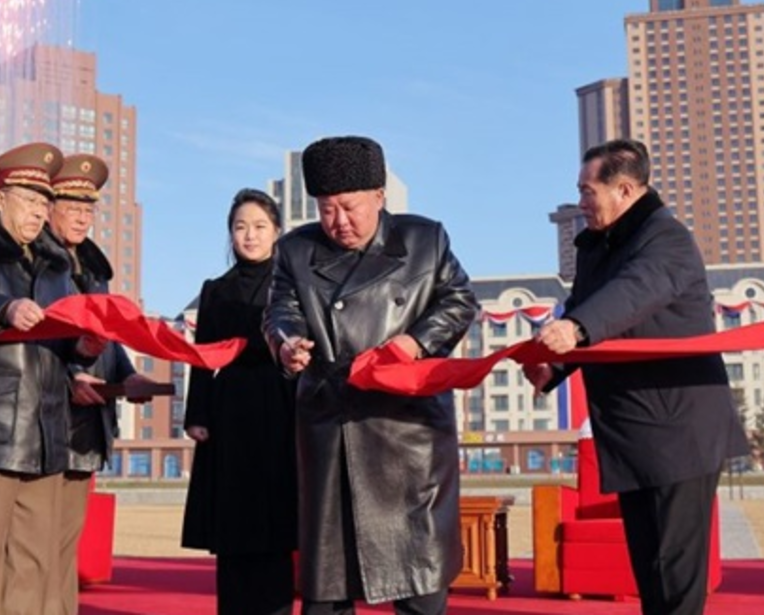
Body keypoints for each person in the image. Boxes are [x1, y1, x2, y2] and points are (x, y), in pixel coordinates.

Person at [523, 138, 748, 615]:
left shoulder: (667, 239)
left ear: (624, 190)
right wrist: (553, 366)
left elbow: (633, 293)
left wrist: (575, 329)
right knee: (649, 570)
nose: (581, 202)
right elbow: (585, 305)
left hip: (679, 429)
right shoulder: (598, 246)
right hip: (631, 431)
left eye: (588, 191)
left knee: (675, 573)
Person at [262, 136, 478, 615]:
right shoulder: (296, 250)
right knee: (327, 588)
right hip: (331, 427)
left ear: (379, 196)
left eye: (350, 207)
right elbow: (280, 310)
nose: (339, 221)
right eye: (326, 209)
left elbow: (460, 300)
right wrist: (287, 343)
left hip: (409, 434)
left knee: (419, 584)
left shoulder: (424, 240)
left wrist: (414, 343)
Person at [0, 142, 102, 615]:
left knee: (34, 560)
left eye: (45, 202)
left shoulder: (56, 263)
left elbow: (63, 335)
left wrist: (84, 349)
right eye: (29, 200)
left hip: (46, 429)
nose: (39, 211)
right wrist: (4, 308)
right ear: (0, 198)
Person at [45, 153, 155, 615]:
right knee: (34, 544)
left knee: (62, 545)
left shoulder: (93, 269)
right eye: (71, 207)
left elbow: (103, 337)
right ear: (48, 207)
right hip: (46, 418)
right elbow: (34, 340)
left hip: (86, 423)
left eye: (88, 209)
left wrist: (127, 375)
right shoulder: (37, 264)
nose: (81, 217)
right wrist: (70, 375)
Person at [181, 188, 298, 615]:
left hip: (281, 405)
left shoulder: (292, 285)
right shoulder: (215, 290)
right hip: (230, 410)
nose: (250, 235)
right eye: (240, 227)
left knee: (277, 524)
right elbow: (201, 357)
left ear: (277, 232)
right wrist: (197, 414)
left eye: (260, 226)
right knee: (232, 525)